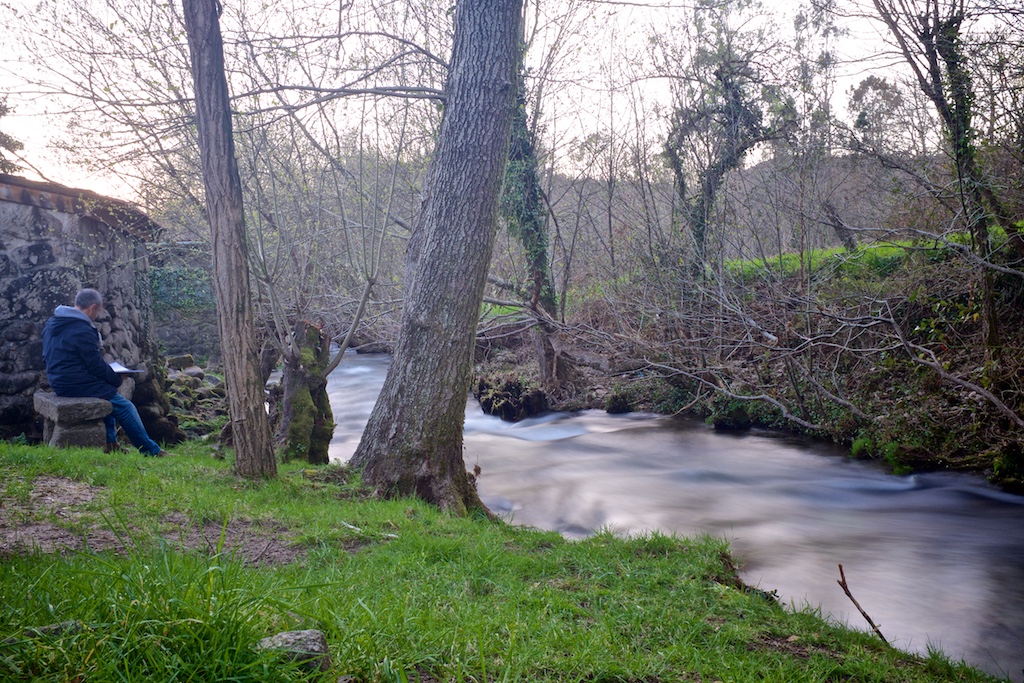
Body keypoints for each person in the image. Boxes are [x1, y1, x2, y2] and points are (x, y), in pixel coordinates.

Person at [42, 288, 168, 457]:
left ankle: (110, 442)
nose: (98, 314)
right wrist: (116, 378)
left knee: (106, 392)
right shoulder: (82, 329)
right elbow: (95, 365)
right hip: (74, 384)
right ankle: (150, 450)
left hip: (58, 380)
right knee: (125, 407)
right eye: (99, 310)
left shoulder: (54, 323)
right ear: (93, 307)